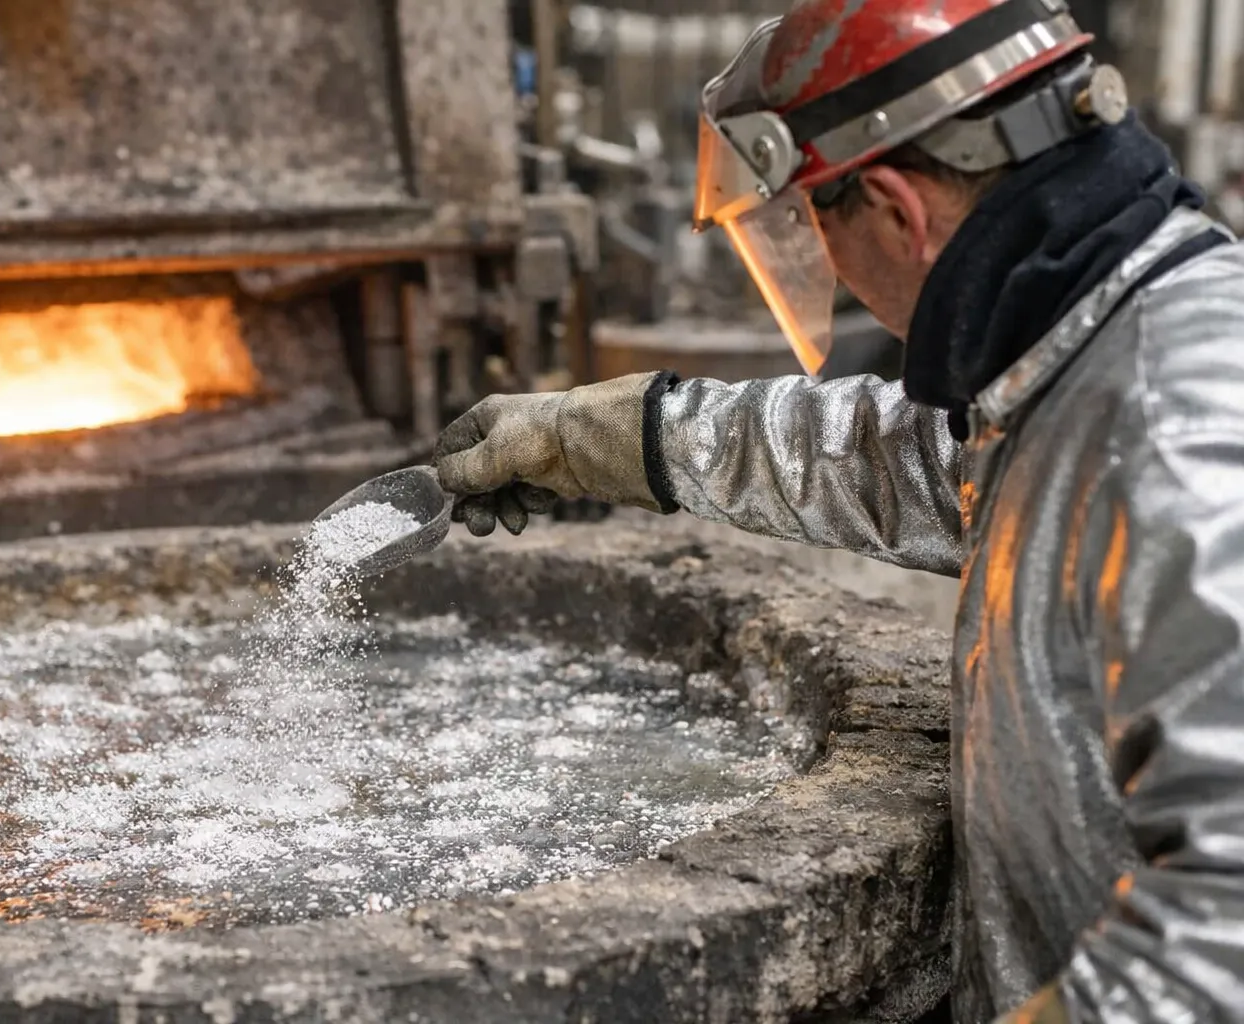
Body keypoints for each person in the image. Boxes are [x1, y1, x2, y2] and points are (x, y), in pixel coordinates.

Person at [433, 1, 1244, 1021]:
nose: (828, 266)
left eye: (818, 224)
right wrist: (608, 437)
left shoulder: (1180, 436)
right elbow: (912, 456)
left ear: (899, 211)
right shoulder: (1087, 356)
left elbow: (1219, 949)